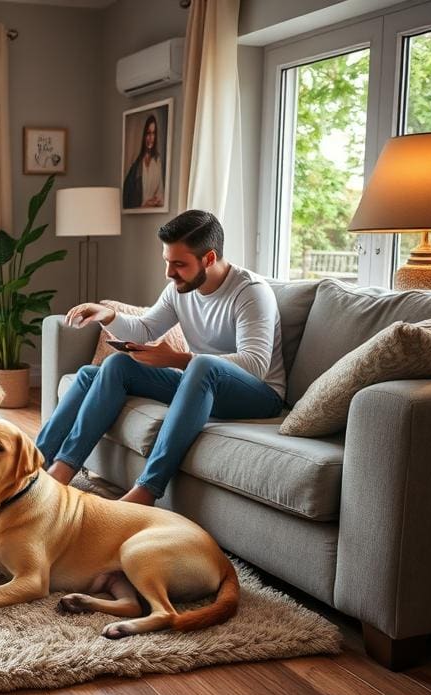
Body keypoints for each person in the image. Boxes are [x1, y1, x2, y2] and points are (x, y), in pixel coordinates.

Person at [36, 209, 286, 507]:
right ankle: (43, 469)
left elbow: (256, 364)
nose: (169, 273)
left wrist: (180, 360)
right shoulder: (179, 289)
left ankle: (146, 491)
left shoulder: (250, 293)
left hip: (259, 396)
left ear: (208, 258)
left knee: (203, 364)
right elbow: (145, 329)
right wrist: (109, 315)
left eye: (179, 264)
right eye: (167, 262)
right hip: (199, 384)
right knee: (113, 366)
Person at [122, 114, 164, 209]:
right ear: (144, 135)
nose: (151, 138)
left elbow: (160, 193)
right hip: (140, 209)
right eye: (148, 133)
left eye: (153, 133)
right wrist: (143, 204)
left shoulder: (157, 161)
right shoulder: (137, 164)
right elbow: (127, 197)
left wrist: (154, 201)